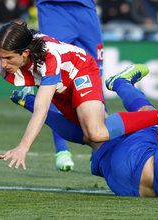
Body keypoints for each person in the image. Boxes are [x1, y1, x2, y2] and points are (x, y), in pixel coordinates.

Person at [0, 22, 158, 171]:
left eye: (8, 58)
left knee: (96, 132)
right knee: (96, 139)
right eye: (0, 56)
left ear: (26, 53)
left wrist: (23, 147)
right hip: (58, 88)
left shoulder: (49, 57)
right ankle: (152, 141)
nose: (2, 64)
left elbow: (43, 108)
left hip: (80, 71)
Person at [11, 59, 158, 198]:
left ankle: (120, 82)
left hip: (135, 161)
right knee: (92, 139)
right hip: (127, 189)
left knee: (152, 116)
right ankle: (27, 101)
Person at [34, 0, 104, 171]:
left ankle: (100, 151)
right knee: (53, 77)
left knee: (95, 76)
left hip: (86, 9)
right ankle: (62, 150)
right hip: (53, 7)